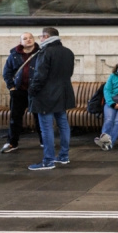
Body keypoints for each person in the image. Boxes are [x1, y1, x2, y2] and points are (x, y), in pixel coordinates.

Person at [26, 26, 75, 171]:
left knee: (46, 128)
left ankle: (48, 160)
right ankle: (64, 156)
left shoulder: (45, 52)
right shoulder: (68, 52)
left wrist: (32, 91)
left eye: (41, 36)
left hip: (46, 95)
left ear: (46, 37)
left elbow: (40, 76)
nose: (40, 39)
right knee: (63, 124)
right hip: (63, 93)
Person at [0, 32, 42, 154]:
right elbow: (7, 73)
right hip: (19, 91)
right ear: (21, 42)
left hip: (36, 92)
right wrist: (11, 87)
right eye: (25, 38)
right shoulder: (14, 55)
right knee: (15, 118)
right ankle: (12, 142)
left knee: (39, 117)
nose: (28, 40)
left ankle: (44, 141)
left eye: (30, 38)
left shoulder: (41, 54)